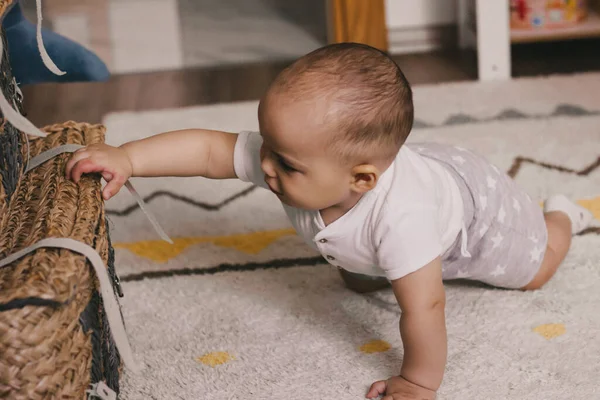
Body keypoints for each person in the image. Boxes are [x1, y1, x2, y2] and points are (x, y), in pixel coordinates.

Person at [65, 43, 593, 399]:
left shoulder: (402, 220)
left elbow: (427, 304)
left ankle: (561, 213)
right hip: (402, 179)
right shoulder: (293, 159)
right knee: (363, 268)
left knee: (536, 269)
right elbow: (207, 149)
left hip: (477, 214)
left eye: (285, 163)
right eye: (266, 147)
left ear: (362, 180)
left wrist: (419, 382)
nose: (264, 165)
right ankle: (362, 261)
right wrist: (128, 159)